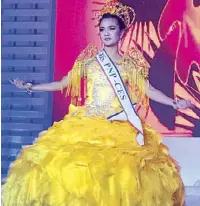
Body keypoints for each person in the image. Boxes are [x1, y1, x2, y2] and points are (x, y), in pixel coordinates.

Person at [2, 1, 192, 205]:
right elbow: (63, 83)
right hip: (89, 121)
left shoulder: (129, 64)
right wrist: (32, 86)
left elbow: (150, 90)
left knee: (123, 175)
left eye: (112, 29)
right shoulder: (90, 60)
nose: (106, 33)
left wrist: (174, 103)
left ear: (121, 33)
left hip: (120, 125)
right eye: (102, 29)